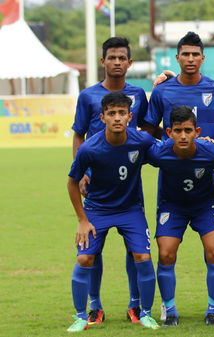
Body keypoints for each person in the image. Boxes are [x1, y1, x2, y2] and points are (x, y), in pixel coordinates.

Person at [66, 92, 159, 332]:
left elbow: (167, 149)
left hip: (130, 209)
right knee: (84, 257)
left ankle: (146, 313)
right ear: (103, 117)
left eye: (121, 113)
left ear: (130, 116)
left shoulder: (141, 140)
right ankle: (80, 316)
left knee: (143, 257)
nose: (117, 118)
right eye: (111, 114)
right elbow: (72, 182)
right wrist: (81, 220)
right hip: (97, 209)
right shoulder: (90, 148)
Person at [71, 37, 148, 325]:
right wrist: (80, 173)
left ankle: (136, 304)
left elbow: (147, 130)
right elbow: (79, 133)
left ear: (130, 63)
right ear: (103, 61)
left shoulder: (139, 93)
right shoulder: (88, 96)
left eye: (122, 58)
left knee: (135, 246)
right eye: (111, 57)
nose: (116, 62)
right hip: (96, 182)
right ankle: (94, 305)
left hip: (129, 181)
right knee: (93, 246)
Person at [145, 106, 214, 327]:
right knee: (165, 254)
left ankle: (213, 307)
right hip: (173, 206)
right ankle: (169, 308)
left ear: (197, 131)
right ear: (169, 132)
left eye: (188, 130)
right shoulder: (158, 153)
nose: (183, 136)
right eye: (178, 130)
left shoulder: (213, 152)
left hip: (206, 204)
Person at [142, 31, 214, 141]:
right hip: (171, 157)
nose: (190, 59)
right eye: (185, 54)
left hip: (207, 156)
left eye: (195, 54)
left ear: (202, 58)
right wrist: (170, 142)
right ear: (177, 57)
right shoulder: (161, 91)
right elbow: (148, 130)